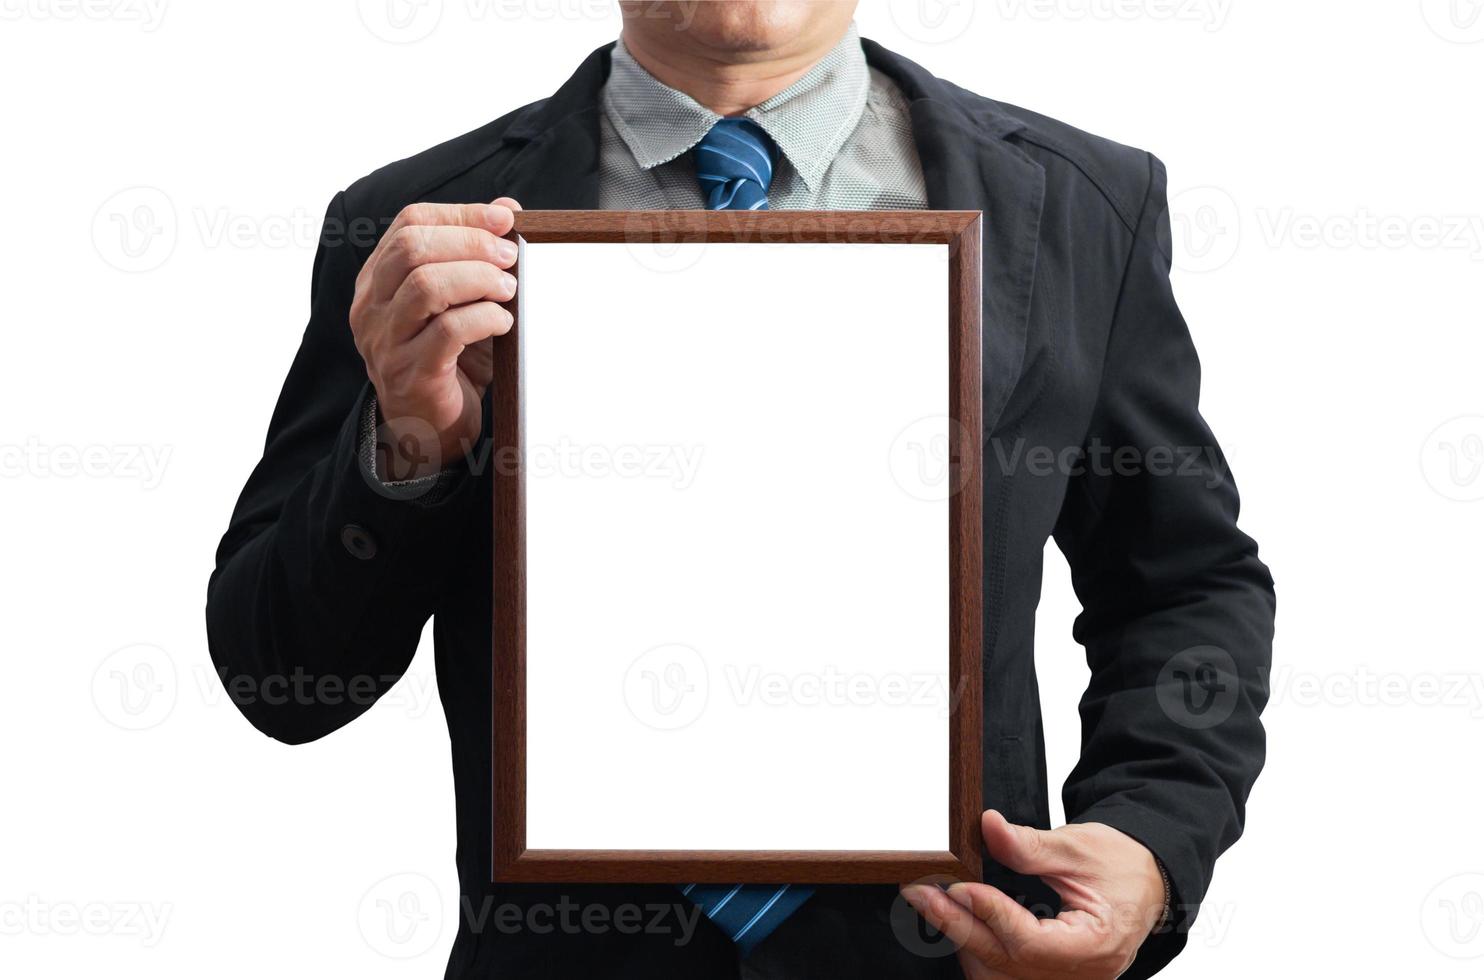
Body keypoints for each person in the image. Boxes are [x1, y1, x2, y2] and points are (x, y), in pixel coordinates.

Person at [207, 3, 1275, 977]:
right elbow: (283, 678)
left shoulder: (1083, 205)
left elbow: (1181, 584)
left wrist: (1147, 839)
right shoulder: (413, 225)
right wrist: (404, 446)